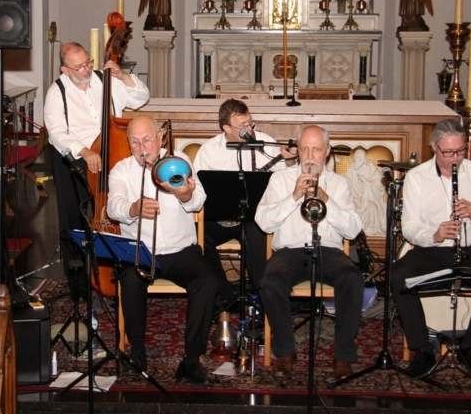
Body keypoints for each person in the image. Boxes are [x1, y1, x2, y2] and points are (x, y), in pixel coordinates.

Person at [107, 116, 220, 383]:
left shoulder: (178, 161)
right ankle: (138, 352)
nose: (142, 147)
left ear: (160, 138)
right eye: (134, 141)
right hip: (140, 249)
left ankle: (192, 359)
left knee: (208, 281)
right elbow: (114, 207)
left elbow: (198, 200)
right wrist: (134, 208)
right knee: (131, 280)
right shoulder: (121, 170)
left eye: (147, 139)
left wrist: (184, 194)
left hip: (180, 249)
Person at [392, 119, 471, 377]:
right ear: (434, 147)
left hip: (469, 248)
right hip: (430, 250)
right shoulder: (416, 177)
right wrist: (435, 234)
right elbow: (409, 227)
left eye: (461, 151)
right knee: (399, 277)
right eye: (449, 153)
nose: (456, 159)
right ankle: (422, 350)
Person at [255, 125, 364, 380]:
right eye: (304, 149)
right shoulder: (280, 179)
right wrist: (293, 196)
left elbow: (353, 229)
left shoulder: (339, 183)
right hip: (290, 251)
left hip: (329, 250)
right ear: (298, 150)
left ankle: (343, 355)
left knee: (352, 279)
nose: (310, 155)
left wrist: (326, 199)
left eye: (316, 149)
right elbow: (263, 222)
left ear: (326, 152)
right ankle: (285, 351)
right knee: (269, 282)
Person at [43, 42, 150, 299]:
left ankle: (121, 274)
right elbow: (56, 133)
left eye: (88, 63)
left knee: (113, 209)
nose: (86, 69)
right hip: (75, 159)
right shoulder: (57, 91)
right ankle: (79, 285)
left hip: (110, 153)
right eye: (79, 67)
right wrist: (84, 151)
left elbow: (141, 97)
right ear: (64, 69)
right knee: (74, 221)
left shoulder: (106, 80)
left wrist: (123, 76)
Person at [192, 99, 295, 310]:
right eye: (243, 126)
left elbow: (286, 179)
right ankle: (225, 296)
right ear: (226, 128)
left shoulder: (265, 142)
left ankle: (264, 299)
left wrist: (291, 160)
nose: (249, 130)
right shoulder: (209, 150)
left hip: (252, 217)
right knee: (198, 238)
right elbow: (199, 191)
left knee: (257, 235)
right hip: (219, 218)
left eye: (250, 123)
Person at [344, 148, 386, 236]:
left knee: (372, 207)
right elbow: (346, 183)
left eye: (360, 158)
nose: (358, 159)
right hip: (355, 198)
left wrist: (366, 182)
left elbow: (379, 182)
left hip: (369, 197)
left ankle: (370, 227)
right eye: (356, 157)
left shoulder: (370, 167)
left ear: (364, 158)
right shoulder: (351, 169)